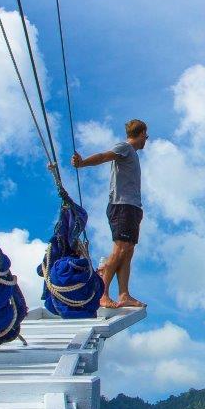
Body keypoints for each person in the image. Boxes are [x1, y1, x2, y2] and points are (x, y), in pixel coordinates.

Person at [72, 119, 147, 309]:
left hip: (132, 207)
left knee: (128, 251)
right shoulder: (125, 147)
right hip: (121, 206)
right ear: (141, 134)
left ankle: (124, 295)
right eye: (146, 135)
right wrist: (82, 163)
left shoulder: (133, 154)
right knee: (120, 249)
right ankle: (102, 294)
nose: (146, 139)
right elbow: (104, 156)